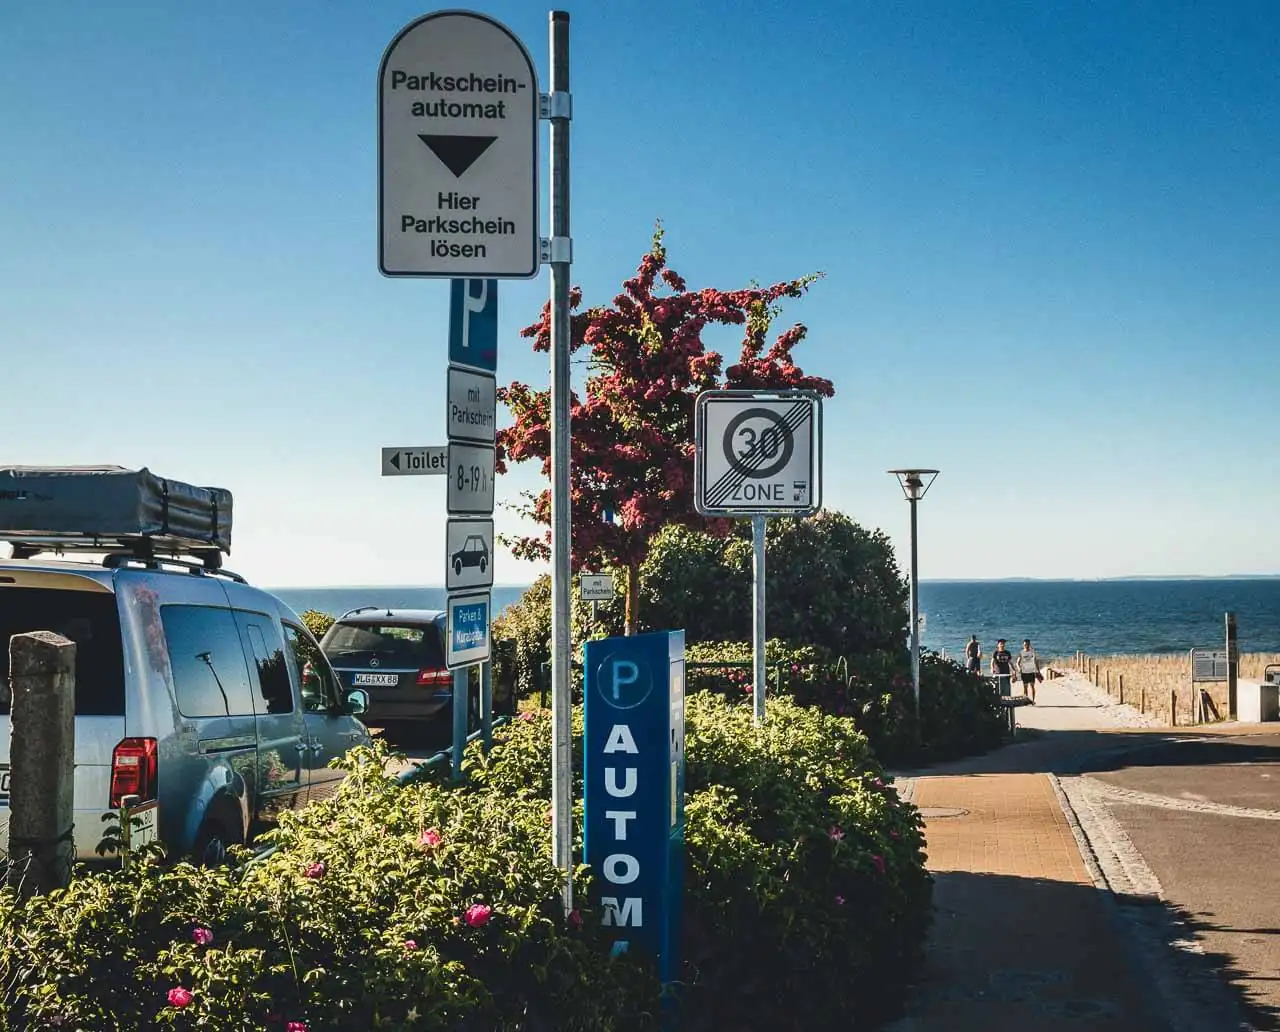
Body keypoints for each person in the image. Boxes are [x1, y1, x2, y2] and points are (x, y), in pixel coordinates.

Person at [1018, 639, 1043, 703]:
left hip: (1031, 672)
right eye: (1025, 644)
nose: (1026, 645)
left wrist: (1038, 672)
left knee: (1032, 687)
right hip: (1024, 672)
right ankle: (1025, 700)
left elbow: (1036, 662)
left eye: (1028, 644)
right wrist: (1019, 668)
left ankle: (1033, 701)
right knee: (1025, 687)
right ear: (1023, 645)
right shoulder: (1021, 652)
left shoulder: (1032, 652)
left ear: (1029, 645)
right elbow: (1017, 662)